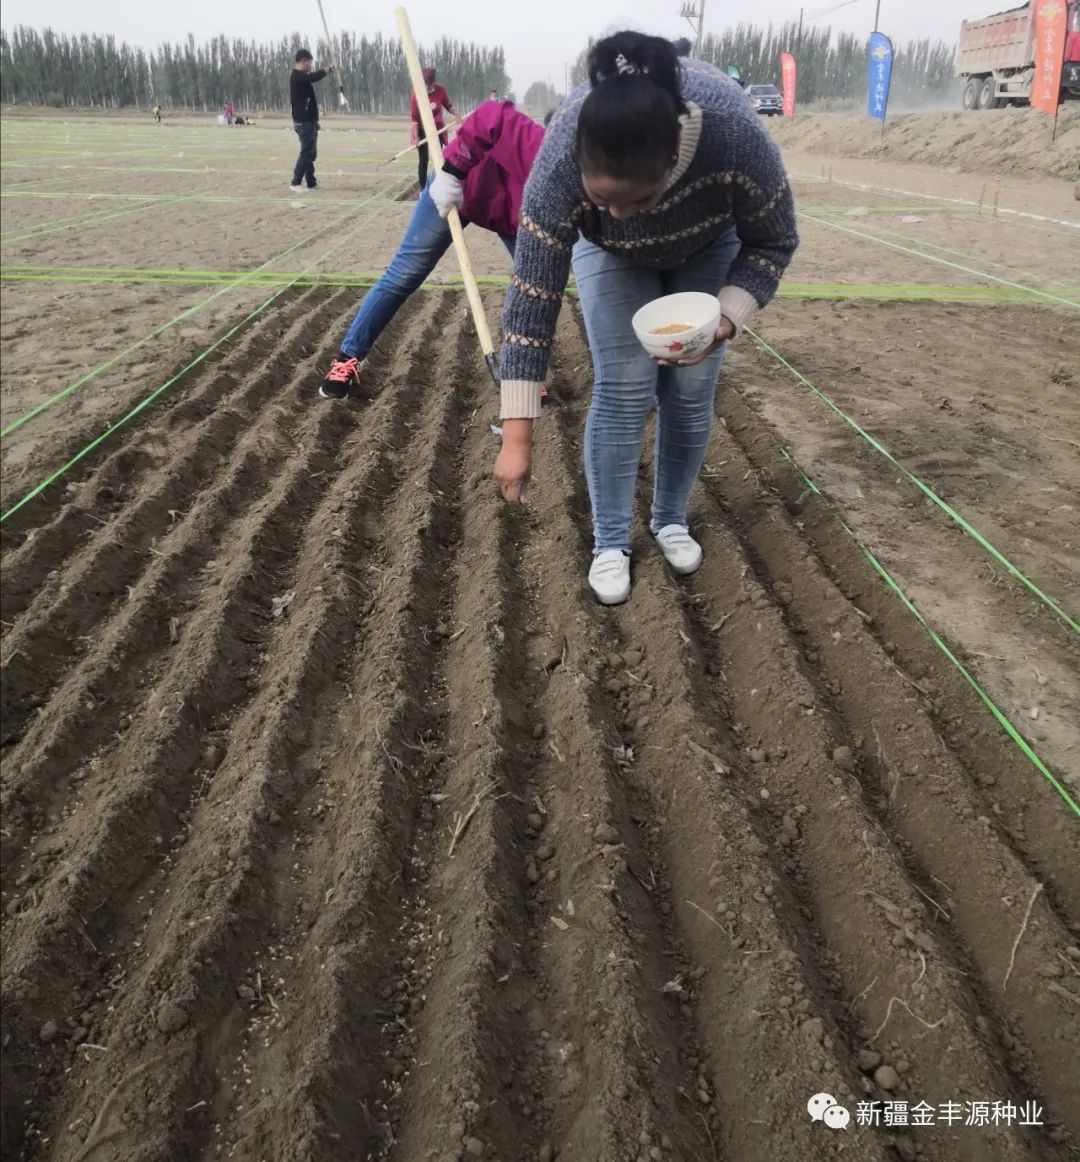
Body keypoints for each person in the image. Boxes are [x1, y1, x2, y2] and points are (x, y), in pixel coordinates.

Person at [495, 32, 798, 605]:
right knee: (626, 382)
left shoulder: (733, 136)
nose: (616, 212)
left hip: (707, 244)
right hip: (606, 254)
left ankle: (669, 518)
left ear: (672, 158)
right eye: (600, 198)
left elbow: (774, 241)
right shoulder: (560, 158)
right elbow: (532, 297)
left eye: (635, 200)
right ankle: (611, 541)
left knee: (690, 383)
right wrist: (517, 435)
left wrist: (727, 319)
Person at [319, 102, 550, 400]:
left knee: (534, 289)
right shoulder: (545, 151)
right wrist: (452, 173)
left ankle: (524, 372)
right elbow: (490, 114)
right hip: (455, 186)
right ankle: (347, 358)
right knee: (404, 274)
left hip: (511, 217)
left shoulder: (569, 208)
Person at [290, 48, 336, 192]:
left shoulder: (302, 77)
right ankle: (296, 182)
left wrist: (315, 121)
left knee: (310, 152)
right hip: (303, 121)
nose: (310, 66)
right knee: (307, 152)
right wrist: (328, 69)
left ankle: (311, 182)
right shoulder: (298, 77)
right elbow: (312, 77)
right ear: (303, 61)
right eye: (309, 63)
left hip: (309, 121)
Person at [410, 66, 455, 191]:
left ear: (434, 83)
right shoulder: (416, 95)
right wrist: (416, 137)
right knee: (423, 160)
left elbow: (447, 104)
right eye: (425, 85)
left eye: (430, 86)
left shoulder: (440, 90)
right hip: (422, 130)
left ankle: (439, 185)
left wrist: (456, 114)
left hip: (437, 130)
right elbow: (414, 118)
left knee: (438, 158)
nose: (428, 88)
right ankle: (423, 189)